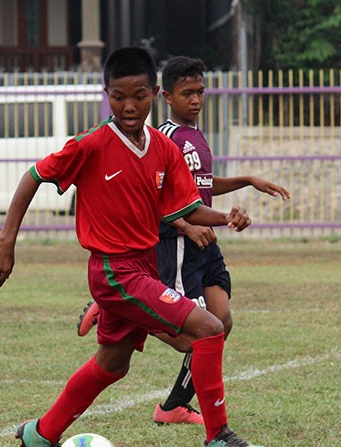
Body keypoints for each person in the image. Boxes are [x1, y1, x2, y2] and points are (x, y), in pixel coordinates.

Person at [0, 46, 269, 447]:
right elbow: (33, 177)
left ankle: (40, 434)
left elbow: (188, 207)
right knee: (210, 328)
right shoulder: (91, 144)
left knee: (112, 365)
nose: (129, 106)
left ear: (154, 93)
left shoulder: (162, 148)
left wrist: (226, 216)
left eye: (138, 95)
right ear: (107, 95)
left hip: (144, 268)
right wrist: (7, 241)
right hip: (115, 272)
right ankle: (218, 440)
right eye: (118, 96)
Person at [77, 55, 291, 426]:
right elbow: (159, 200)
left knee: (221, 322)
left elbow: (199, 189)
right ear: (167, 97)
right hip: (176, 245)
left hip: (205, 243)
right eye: (187, 93)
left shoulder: (194, 136)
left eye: (200, 92)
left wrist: (246, 181)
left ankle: (174, 404)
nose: (195, 99)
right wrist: (187, 227)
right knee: (192, 335)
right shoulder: (166, 139)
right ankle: (114, 309)